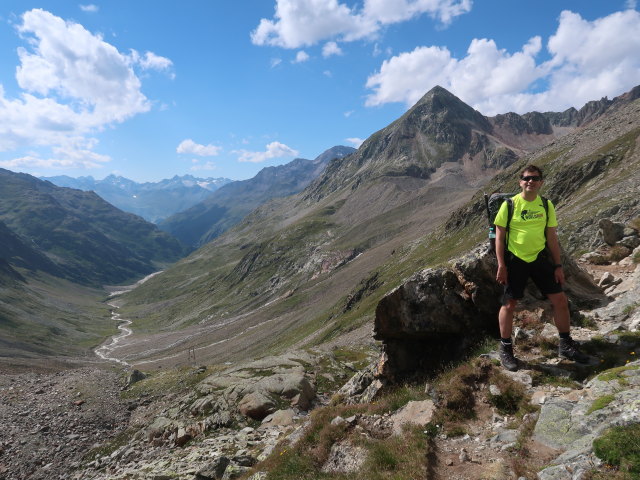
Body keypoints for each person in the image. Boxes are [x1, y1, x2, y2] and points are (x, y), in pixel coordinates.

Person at [494, 165, 588, 371]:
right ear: (520, 182)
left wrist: (557, 265)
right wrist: (501, 265)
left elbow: (552, 238)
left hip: (539, 258)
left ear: (541, 183)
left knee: (560, 300)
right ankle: (506, 349)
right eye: (527, 178)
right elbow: (499, 238)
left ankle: (565, 344)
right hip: (515, 260)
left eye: (535, 178)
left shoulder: (546, 205)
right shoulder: (509, 205)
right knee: (509, 304)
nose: (531, 181)